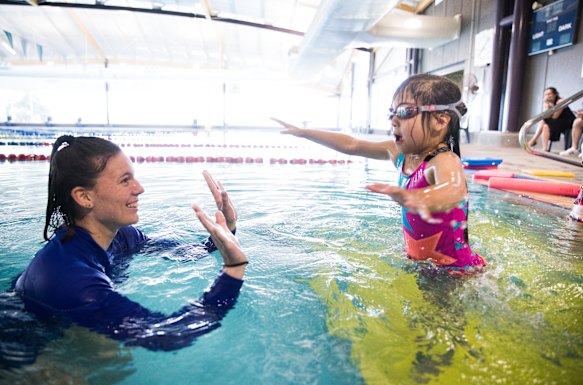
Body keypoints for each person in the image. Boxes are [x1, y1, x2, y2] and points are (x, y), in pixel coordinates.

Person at [14, 135, 248, 352]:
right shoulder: (76, 281)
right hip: (23, 348)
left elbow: (188, 252)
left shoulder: (122, 237)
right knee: (111, 360)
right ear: (84, 197)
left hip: (58, 313)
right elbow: (168, 335)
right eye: (125, 180)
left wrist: (228, 225)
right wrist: (233, 270)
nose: (139, 188)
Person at [273, 73, 486, 274]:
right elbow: (352, 145)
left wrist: (416, 197)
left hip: (455, 272)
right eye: (392, 113)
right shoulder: (401, 155)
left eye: (405, 112)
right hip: (424, 265)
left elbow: (453, 190)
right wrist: (304, 132)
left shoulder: (443, 160)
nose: (394, 120)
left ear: (440, 120)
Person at [527, 87, 576, 151]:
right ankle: (544, 148)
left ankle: (533, 140)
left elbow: (555, 116)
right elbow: (546, 116)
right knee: (545, 126)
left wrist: (551, 107)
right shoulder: (547, 102)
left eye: (549, 94)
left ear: (555, 94)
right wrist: (547, 106)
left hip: (567, 122)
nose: (547, 96)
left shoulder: (560, 101)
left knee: (544, 121)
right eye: (546, 94)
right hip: (557, 122)